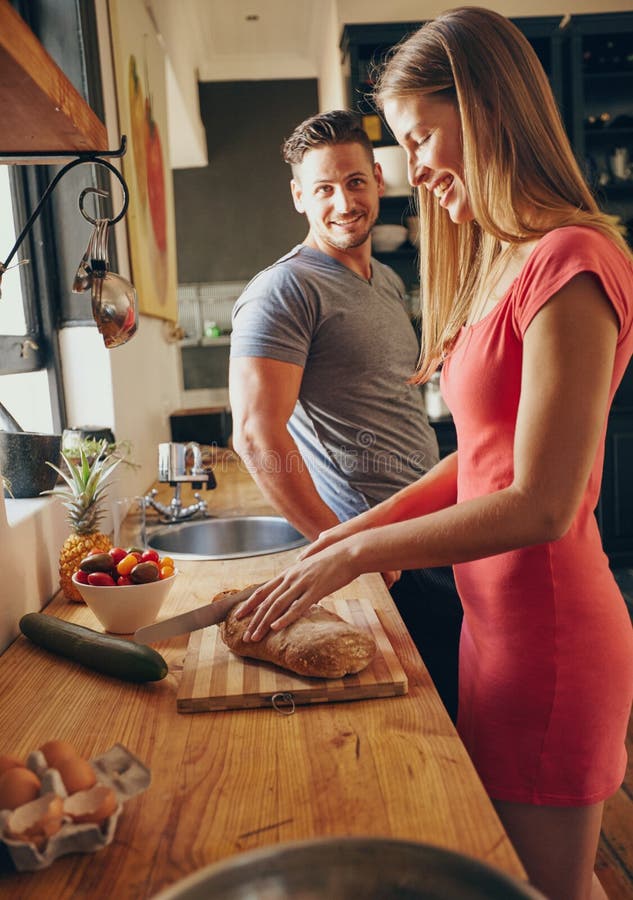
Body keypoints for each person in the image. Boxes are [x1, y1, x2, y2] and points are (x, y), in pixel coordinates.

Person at [233, 9, 633, 900]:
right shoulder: (507, 262)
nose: (412, 171)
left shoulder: (571, 260)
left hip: (551, 640)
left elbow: (539, 503)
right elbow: (477, 462)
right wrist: (342, 542)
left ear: (487, 110)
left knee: (549, 888)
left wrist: (359, 555)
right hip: (491, 629)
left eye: (420, 138)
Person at [229, 109, 463, 720]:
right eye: (325, 188)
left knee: (462, 712)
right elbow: (257, 434)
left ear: (378, 182)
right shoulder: (284, 290)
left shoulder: (384, 280)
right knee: (423, 728)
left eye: (355, 182)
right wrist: (341, 549)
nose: (343, 202)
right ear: (299, 196)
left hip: (432, 534)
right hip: (382, 558)